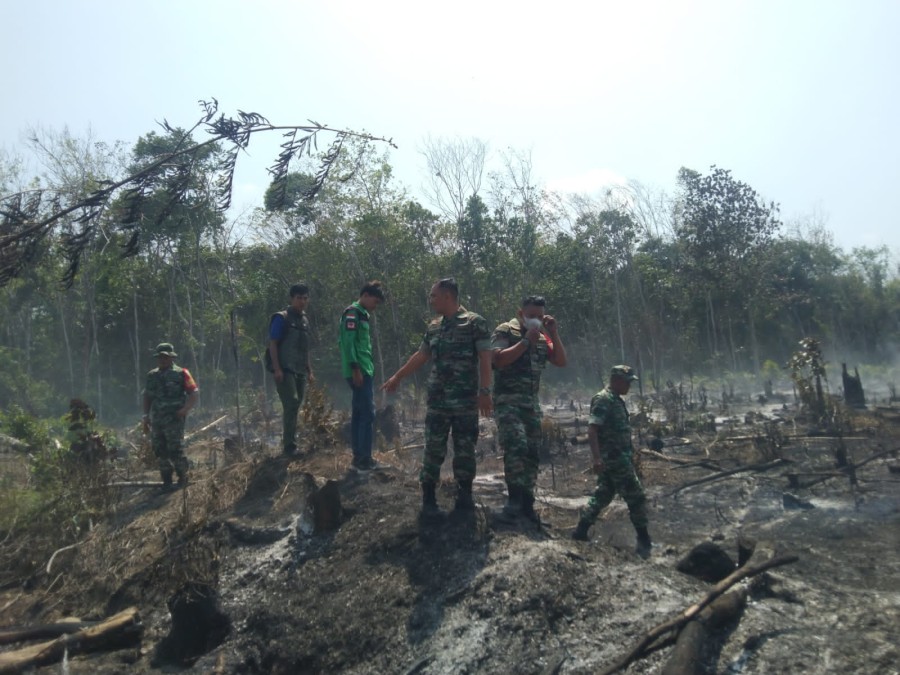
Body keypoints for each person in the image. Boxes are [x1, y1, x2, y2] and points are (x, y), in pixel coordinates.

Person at [382, 278, 493, 516]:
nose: (431, 300)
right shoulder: (434, 326)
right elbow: (421, 356)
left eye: (434, 296)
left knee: (464, 448)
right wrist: (397, 377)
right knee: (433, 448)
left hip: (465, 401)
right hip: (437, 401)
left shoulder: (474, 323)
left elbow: (486, 358)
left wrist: (485, 392)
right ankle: (429, 498)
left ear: (448, 297)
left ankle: (464, 497)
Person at [492, 295, 567, 525]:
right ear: (520, 313)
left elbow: (561, 361)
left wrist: (553, 332)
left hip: (530, 404)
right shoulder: (507, 331)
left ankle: (527, 503)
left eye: (539, 316)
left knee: (533, 452)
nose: (535, 320)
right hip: (507, 401)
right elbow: (497, 360)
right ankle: (513, 502)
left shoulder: (543, 338)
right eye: (531, 316)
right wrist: (525, 342)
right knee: (516, 444)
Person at [572, 365, 652, 558]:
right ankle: (644, 542)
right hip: (614, 459)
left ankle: (580, 532)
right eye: (627, 382)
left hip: (620, 457)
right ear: (616, 380)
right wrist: (597, 458)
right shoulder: (603, 399)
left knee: (603, 494)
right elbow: (592, 430)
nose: (629, 386)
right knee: (636, 496)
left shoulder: (616, 400)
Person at [339, 280, 386, 471]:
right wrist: (355, 369)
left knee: (359, 412)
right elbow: (348, 344)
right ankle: (364, 458)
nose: (375, 306)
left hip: (364, 369)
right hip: (358, 371)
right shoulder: (353, 314)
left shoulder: (363, 314)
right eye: (375, 301)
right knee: (367, 413)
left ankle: (359, 456)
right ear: (365, 295)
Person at [142, 342, 199, 490]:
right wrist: (145, 416)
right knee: (160, 450)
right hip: (157, 419)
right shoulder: (152, 375)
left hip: (174, 418)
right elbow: (147, 396)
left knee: (175, 448)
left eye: (166, 357)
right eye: (160, 357)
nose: (162, 359)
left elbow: (193, 392)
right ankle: (166, 482)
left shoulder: (182, 373)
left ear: (171, 358)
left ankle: (182, 478)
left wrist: (185, 409)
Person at [268, 283, 313, 456]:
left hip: (300, 369)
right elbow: (273, 344)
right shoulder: (282, 318)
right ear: (291, 298)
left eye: (305, 298)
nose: (302, 301)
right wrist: (277, 368)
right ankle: (289, 446)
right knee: (291, 402)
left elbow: (305, 347)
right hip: (285, 369)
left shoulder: (304, 320)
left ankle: (291, 442)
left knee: (296, 405)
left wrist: (309, 370)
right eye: (298, 298)